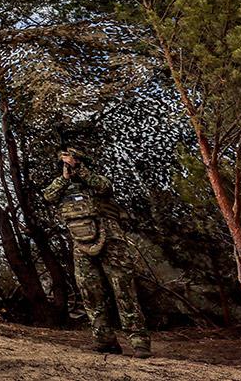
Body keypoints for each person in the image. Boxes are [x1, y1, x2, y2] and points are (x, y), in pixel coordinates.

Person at [42, 147, 151, 358]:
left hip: (111, 240)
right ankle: (104, 339)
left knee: (123, 290)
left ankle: (139, 340)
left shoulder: (94, 179)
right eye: (64, 163)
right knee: (90, 292)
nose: (68, 166)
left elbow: (105, 187)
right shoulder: (63, 186)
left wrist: (80, 170)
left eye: (70, 162)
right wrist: (65, 177)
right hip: (81, 243)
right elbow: (48, 196)